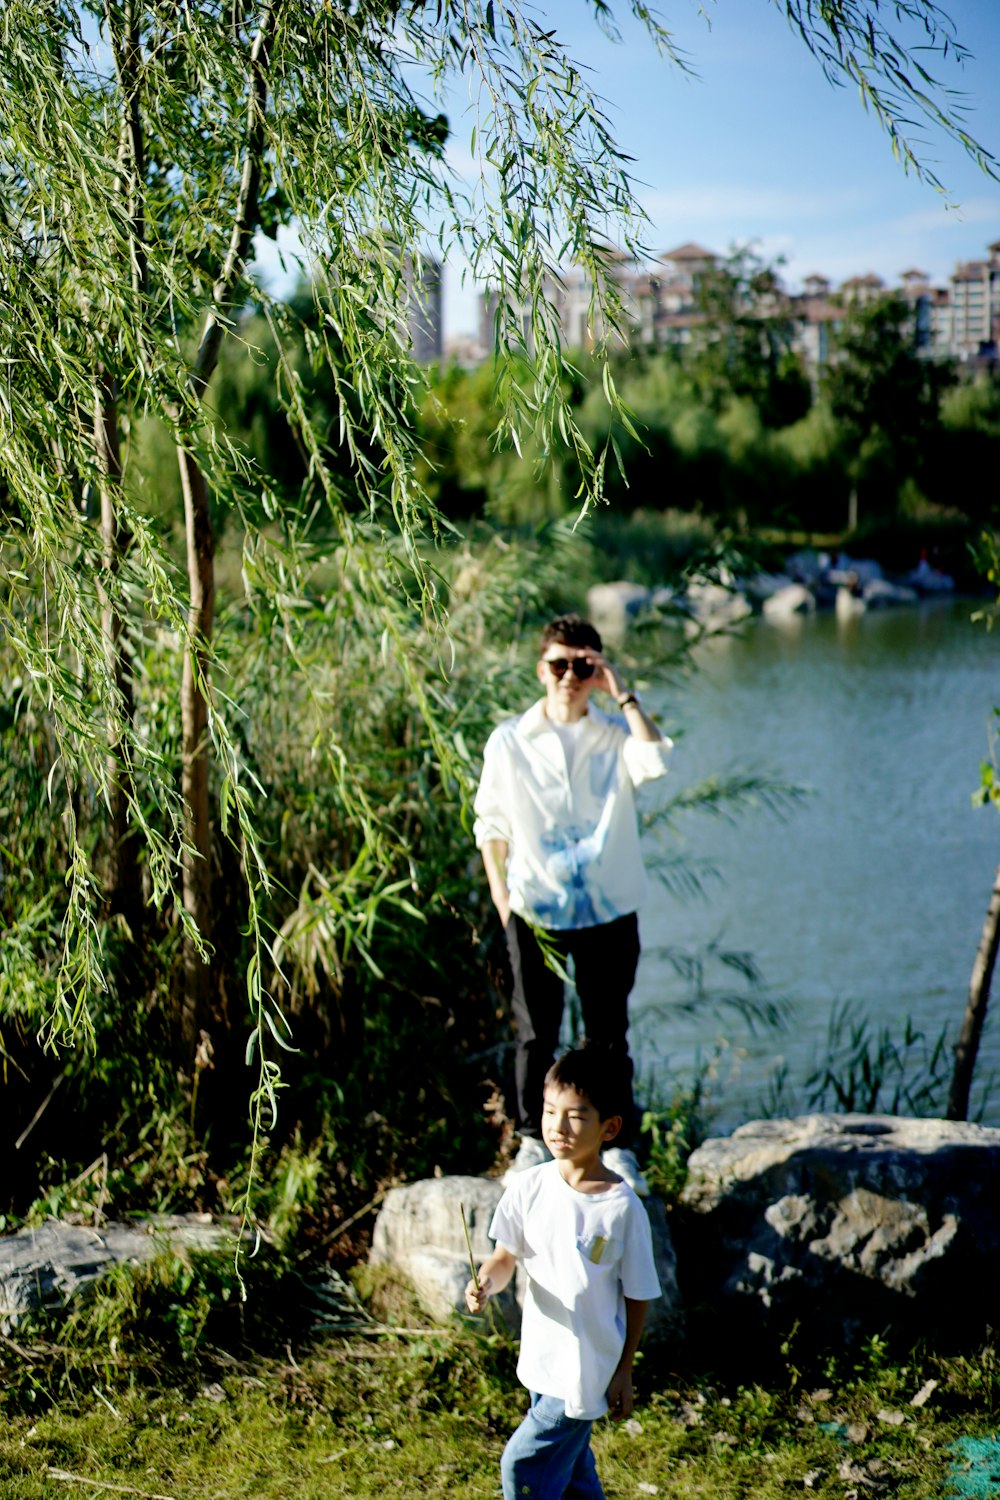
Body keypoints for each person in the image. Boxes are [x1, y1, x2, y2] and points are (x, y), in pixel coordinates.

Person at [473, 614, 672, 1191]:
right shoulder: (510, 741)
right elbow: (491, 821)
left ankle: (616, 1147)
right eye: (559, 664)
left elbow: (658, 760)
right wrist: (501, 895)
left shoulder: (616, 737)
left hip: (610, 912)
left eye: (582, 665)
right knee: (537, 1032)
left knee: (608, 1035)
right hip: (536, 912)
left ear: (597, 671)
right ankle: (534, 1142)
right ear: (541, 670)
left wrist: (624, 695)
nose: (569, 675)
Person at [465, 1045, 661, 1500]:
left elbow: (638, 1294)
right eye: (550, 1110)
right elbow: (505, 1254)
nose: (557, 1126)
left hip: (582, 1370)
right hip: (541, 1358)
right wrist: (485, 1284)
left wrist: (624, 1368)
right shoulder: (530, 1185)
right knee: (572, 1475)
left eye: (576, 1116)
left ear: (609, 1127)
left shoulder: (621, 1209)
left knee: (524, 1466)